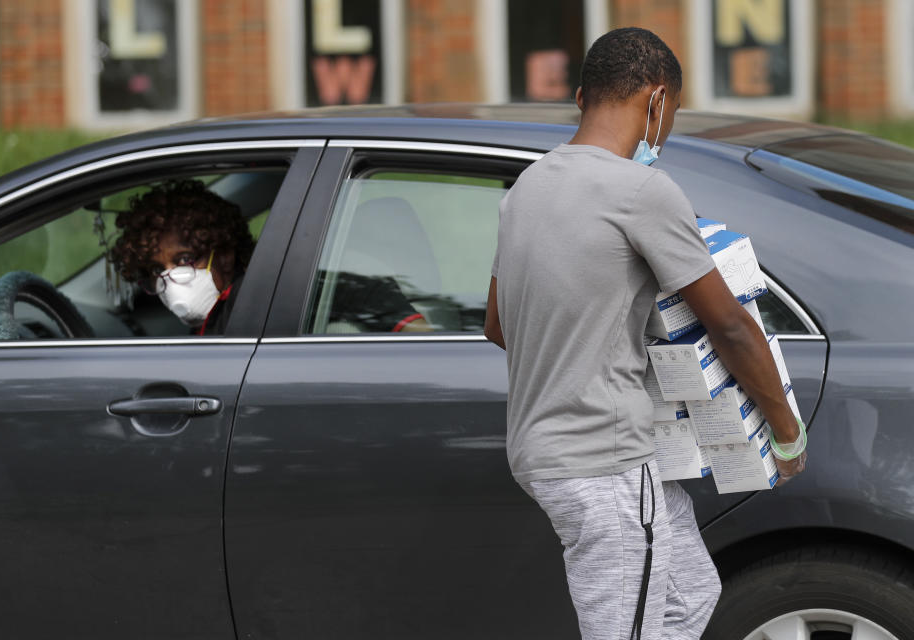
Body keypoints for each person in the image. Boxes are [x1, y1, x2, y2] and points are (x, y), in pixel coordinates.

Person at [483, 28, 806, 640]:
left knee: (689, 598)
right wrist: (785, 436)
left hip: (543, 450)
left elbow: (499, 325)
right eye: (674, 114)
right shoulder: (641, 191)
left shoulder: (528, 188)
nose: (668, 130)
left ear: (581, 96)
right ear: (658, 102)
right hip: (603, 462)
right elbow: (732, 325)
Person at [111, 179, 429, 335]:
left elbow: (355, 290)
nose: (170, 280)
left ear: (223, 252)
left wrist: (415, 333)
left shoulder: (267, 294)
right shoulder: (215, 319)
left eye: (182, 260)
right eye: (156, 269)